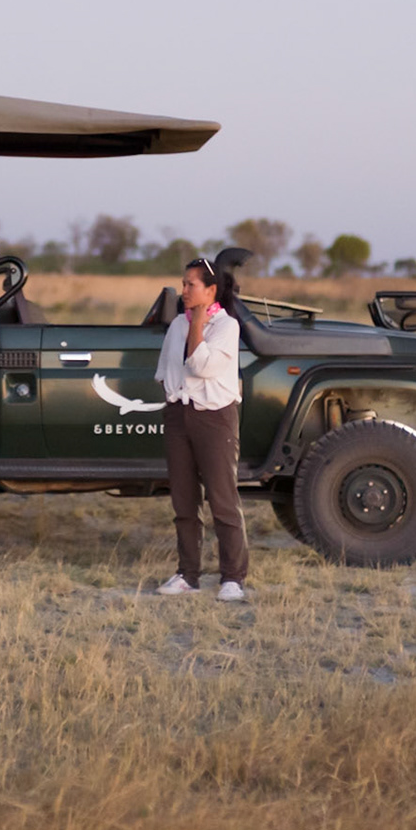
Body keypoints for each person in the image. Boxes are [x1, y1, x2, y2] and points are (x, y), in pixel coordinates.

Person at [154, 257, 248, 601]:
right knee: (184, 500)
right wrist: (172, 400)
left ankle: (233, 577)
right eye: (183, 284)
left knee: (222, 499)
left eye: (190, 285)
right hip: (180, 415)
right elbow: (167, 367)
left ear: (210, 291)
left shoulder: (226, 327)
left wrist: (197, 322)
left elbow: (200, 364)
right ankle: (187, 574)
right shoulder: (177, 325)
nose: (184, 291)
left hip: (214, 417)